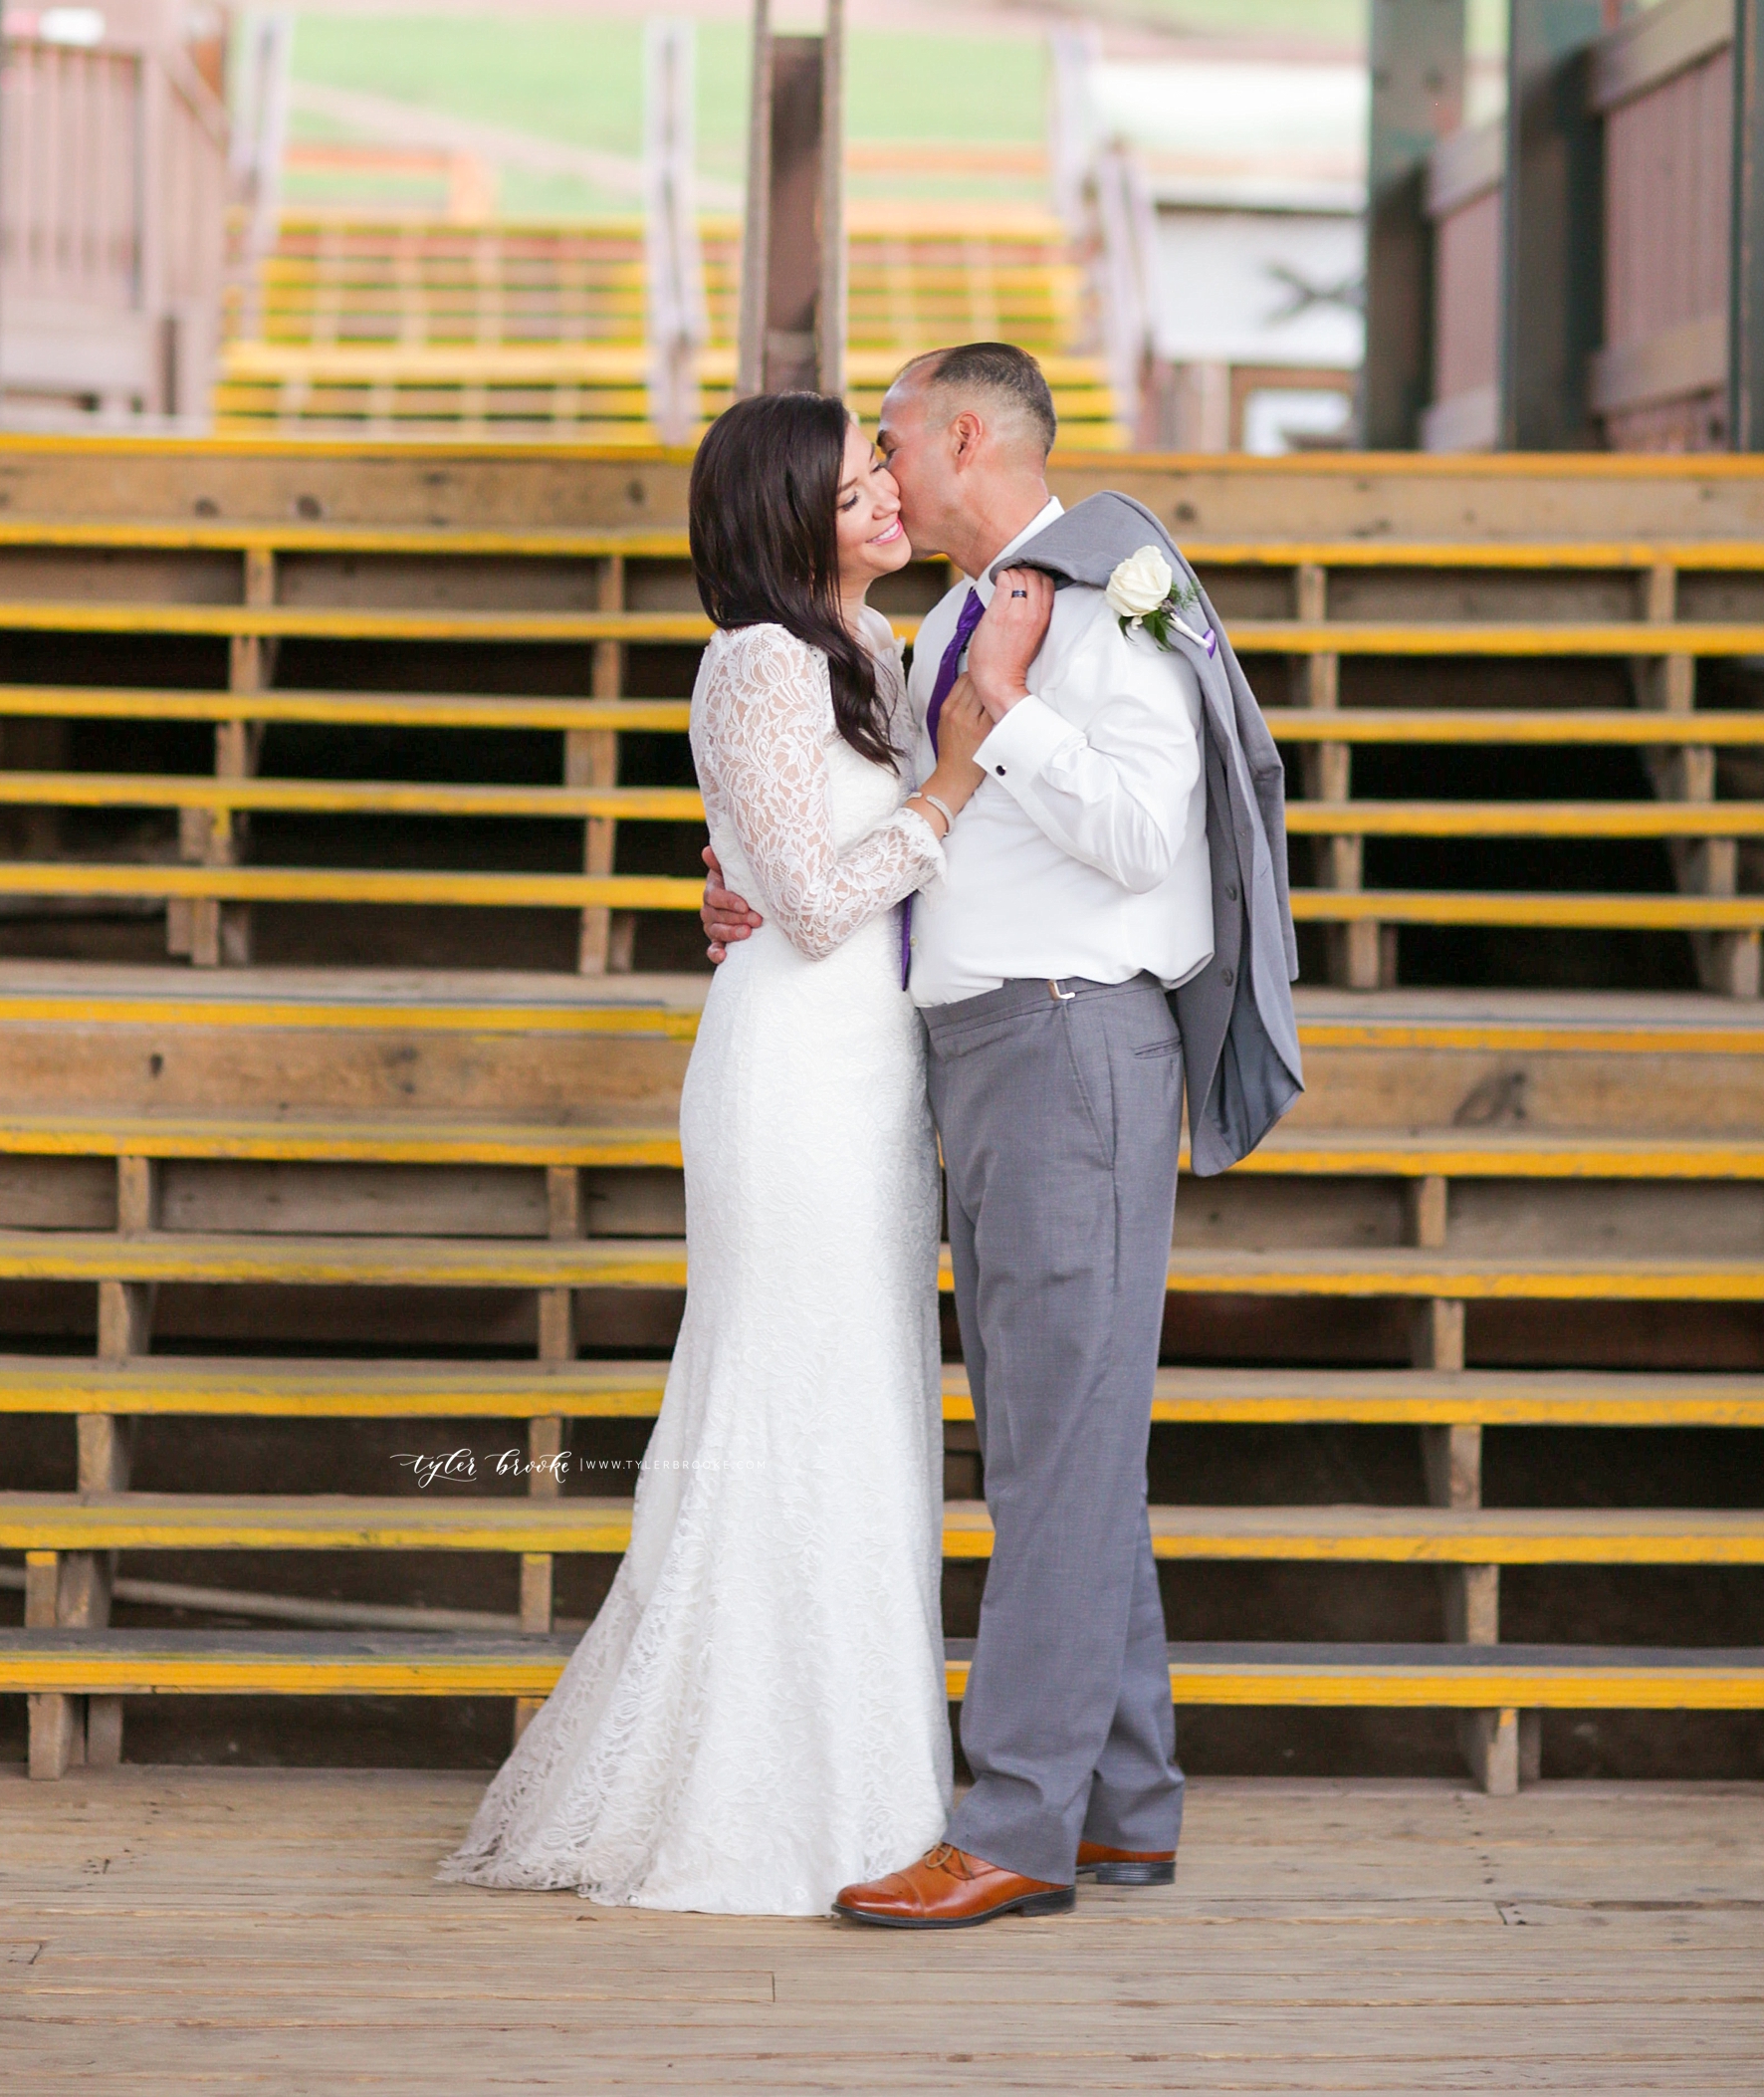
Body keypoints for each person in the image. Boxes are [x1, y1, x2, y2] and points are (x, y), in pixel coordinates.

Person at [703, 341, 1301, 1930]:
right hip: (985, 1049)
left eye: (892, 442)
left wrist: (1009, 714)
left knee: (1055, 1450)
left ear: (964, 433)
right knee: (1065, 1439)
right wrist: (769, 887)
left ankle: (1021, 1822)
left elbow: (1139, 831)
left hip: (1065, 1038)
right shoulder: (971, 609)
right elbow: (901, 821)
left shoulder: (1099, 600)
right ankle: (1123, 1800)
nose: (883, 476)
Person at [443, 390, 994, 1915]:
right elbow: (815, 903)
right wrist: (945, 783)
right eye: (852, 483)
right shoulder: (757, 661)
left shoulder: (869, 652)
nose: (886, 490)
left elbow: (798, 865)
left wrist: (811, 848)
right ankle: (755, 1791)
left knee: (865, 1402)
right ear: (784, 520)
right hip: (793, 1076)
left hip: (873, 1076)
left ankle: (873, 1784)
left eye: (882, 467)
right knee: (789, 1395)